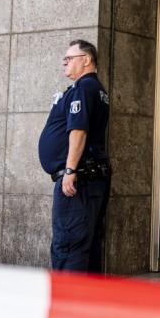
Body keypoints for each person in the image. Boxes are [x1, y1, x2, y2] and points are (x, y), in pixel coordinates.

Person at [38, 39, 111, 272]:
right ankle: (86, 304)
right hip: (89, 178)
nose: (64, 63)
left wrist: (69, 170)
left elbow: (78, 130)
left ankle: (68, 303)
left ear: (86, 60)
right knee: (85, 246)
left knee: (69, 245)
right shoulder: (95, 89)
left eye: (69, 58)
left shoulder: (83, 88)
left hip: (78, 180)